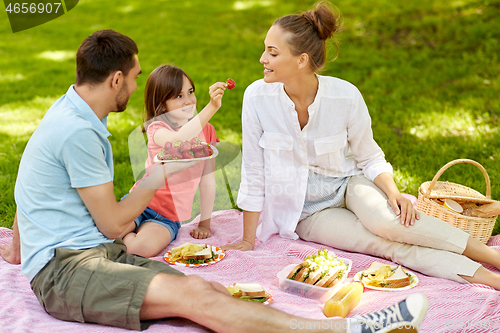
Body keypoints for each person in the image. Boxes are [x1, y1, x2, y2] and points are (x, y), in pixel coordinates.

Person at [0, 29, 429, 333]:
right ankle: (349, 330)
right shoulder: (80, 132)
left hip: (88, 257)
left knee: (201, 288)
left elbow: (28, 184)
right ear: (115, 79)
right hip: (70, 272)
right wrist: (158, 174)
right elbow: (114, 224)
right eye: (133, 77)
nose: (134, 85)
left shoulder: (64, 112)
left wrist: (19, 251)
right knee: (198, 300)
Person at [222, 0, 500, 291]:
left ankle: (493, 257)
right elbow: (253, 170)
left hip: (349, 183)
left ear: (301, 60)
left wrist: (394, 193)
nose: (262, 59)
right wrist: (247, 239)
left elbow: (369, 156)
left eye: (272, 52)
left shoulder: (345, 96)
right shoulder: (257, 97)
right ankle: (492, 279)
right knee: (385, 245)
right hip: (306, 212)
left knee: (390, 225)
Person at [121, 65, 224, 257]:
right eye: (178, 96)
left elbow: (207, 181)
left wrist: (205, 222)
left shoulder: (207, 131)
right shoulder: (157, 128)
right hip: (139, 202)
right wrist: (212, 107)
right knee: (108, 231)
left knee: (138, 249)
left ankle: (123, 240)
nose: (189, 101)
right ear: (162, 104)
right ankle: (122, 235)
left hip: (167, 217)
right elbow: (178, 141)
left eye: (190, 92)